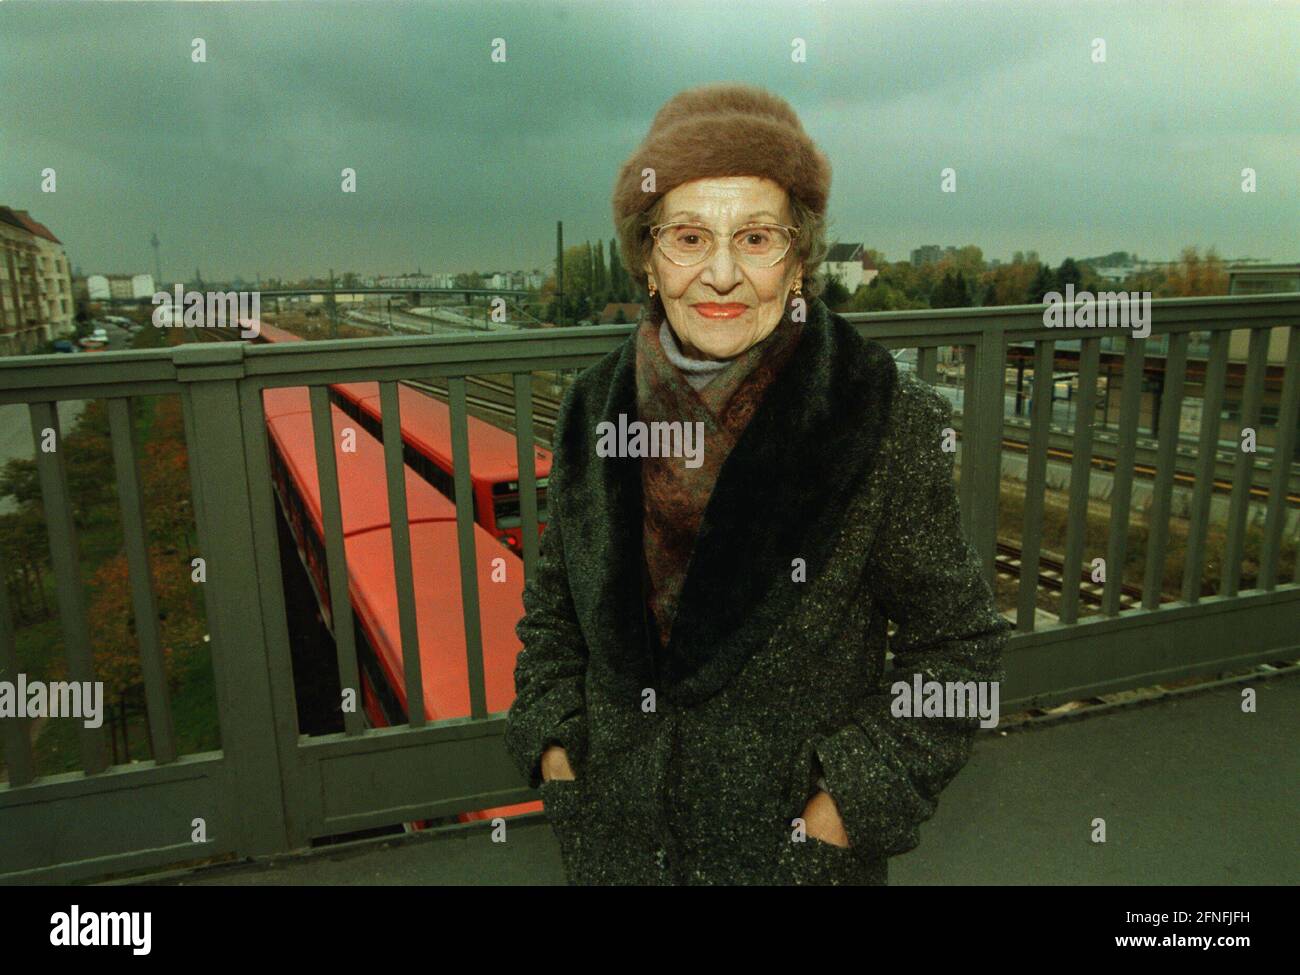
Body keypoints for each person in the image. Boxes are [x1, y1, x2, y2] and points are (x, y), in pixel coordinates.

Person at [504, 82, 1010, 885]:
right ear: (646, 255)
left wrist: (841, 808)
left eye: (757, 237)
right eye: (690, 236)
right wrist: (558, 751)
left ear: (800, 255)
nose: (723, 273)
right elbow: (555, 617)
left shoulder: (876, 416)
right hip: (616, 850)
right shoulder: (591, 408)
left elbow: (959, 653)